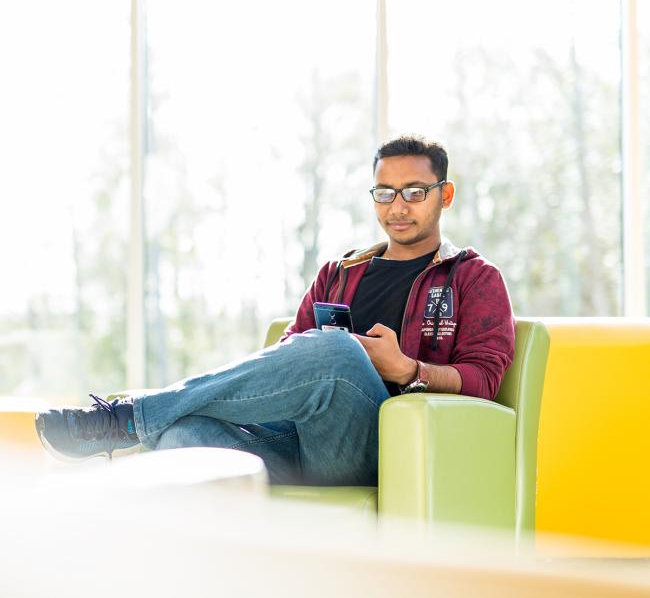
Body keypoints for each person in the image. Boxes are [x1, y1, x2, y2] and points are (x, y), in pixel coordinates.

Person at [35, 135, 515, 486]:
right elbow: (292, 353)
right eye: (385, 193)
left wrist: (408, 370)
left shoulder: (472, 277)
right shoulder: (339, 272)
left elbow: (485, 378)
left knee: (338, 353)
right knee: (182, 435)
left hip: (381, 449)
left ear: (444, 195)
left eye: (414, 191)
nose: (398, 206)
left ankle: (126, 418)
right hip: (293, 446)